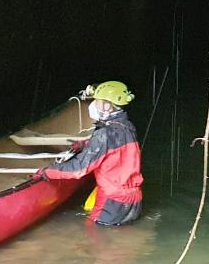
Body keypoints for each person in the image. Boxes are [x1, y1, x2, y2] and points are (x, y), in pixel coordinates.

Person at [36, 80, 143, 226]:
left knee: (93, 238)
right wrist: (86, 144)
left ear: (107, 106)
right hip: (134, 200)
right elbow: (116, 150)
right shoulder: (127, 126)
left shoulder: (104, 134)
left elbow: (79, 169)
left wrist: (47, 172)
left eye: (97, 101)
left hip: (112, 202)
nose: (94, 105)